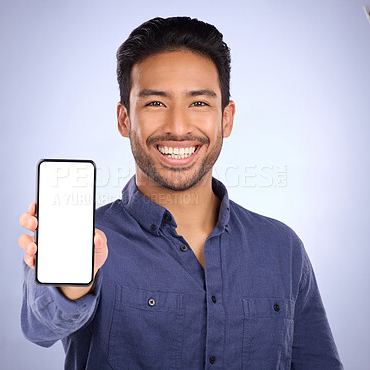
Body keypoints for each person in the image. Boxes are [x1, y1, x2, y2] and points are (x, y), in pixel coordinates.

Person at [19, 16, 343, 369]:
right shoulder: (86, 240)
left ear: (226, 118)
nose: (177, 127)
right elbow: (41, 326)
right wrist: (72, 286)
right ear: (125, 119)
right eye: (156, 103)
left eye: (199, 103)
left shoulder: (282, 247)